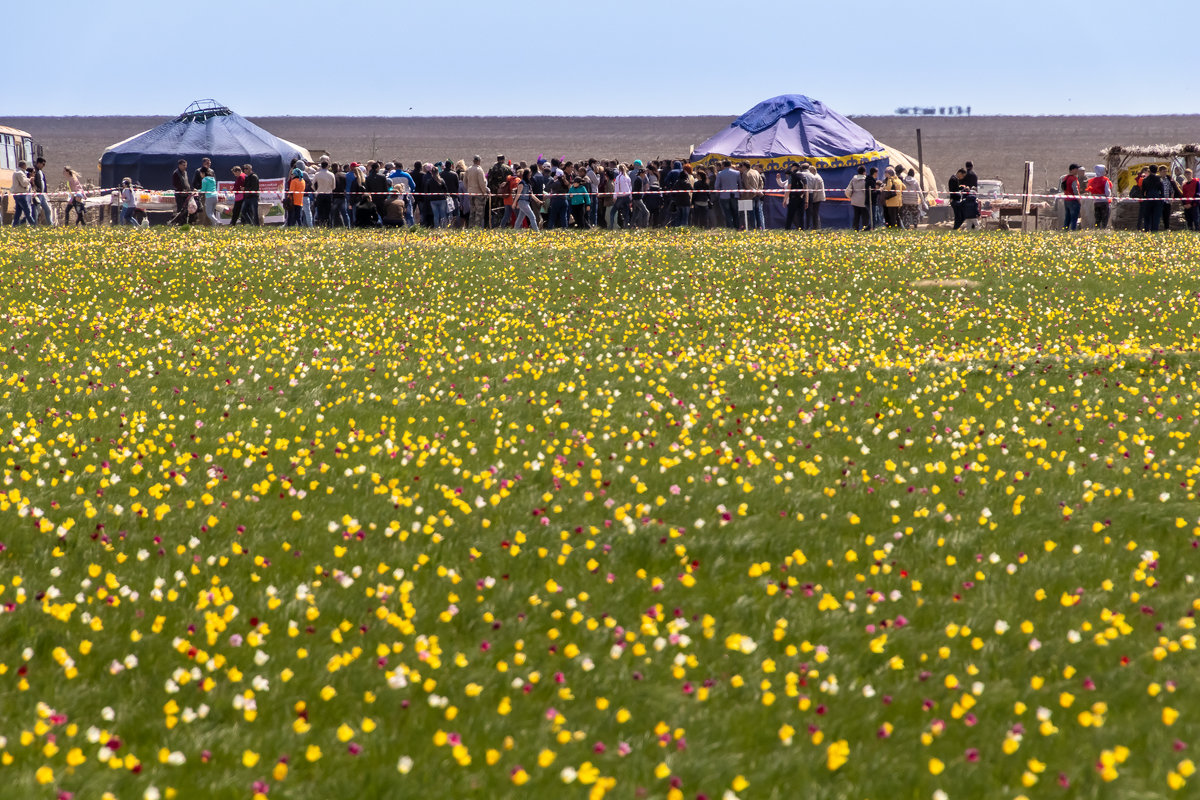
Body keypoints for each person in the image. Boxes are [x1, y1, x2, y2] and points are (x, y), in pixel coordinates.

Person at [714, 160, 741, 229]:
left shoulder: (720, 173)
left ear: (723, 165)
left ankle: (730, 227)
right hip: (734, 195)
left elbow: (717, 186)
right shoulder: (737, 173)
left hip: (724, 196)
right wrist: (739, 193)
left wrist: (718, 194)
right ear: (730, 164)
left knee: (727, 213)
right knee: (735, 212)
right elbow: (740, 185)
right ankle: (737, 227)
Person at [1086, 164, 1113, 230]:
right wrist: (1109, 196)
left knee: (1097, 218)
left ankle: (1096, 229)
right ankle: (1103, 229)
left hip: (1096, 202)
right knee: (1104, 218)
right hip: (1104, 202)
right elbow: (1107, 192)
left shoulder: (1093, 180)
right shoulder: (1105, 180)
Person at [739, 161, 765, 230]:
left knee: (752, 212)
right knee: (758, 211)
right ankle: (760, 227)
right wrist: (759, 191)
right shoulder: (756, 172)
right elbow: (761, 182)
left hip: (750, 195)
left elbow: (747, 185)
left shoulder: (745, 173)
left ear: (744, 166)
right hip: (757, 195)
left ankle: (754, 227)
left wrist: (754, 191)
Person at [1139, 164, 1164, 232]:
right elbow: (1162, 190)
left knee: (1147, 216)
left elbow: (1143, 191)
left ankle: (1147, 229)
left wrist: (1144, 198)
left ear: (1149, 170)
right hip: (1157, 198)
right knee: (1156, 216)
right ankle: (1154, 230)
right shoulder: (1159, 179)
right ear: (1157, 170)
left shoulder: (1145, 180)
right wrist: (1161, 199)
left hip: (1148, 199)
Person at [10, 161, 34, 225]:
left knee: (18, 212)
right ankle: (33, 224)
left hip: (18, 194)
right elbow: (24, 183)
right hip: (21, 195)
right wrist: (29, 179)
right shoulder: (20, 173)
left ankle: (15, 225)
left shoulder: (17, 172)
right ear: (23, 165)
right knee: (27, 211)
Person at [783, 166, 807, 230]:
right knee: (801, 215)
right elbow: (806, 188)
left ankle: (787, 229)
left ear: (794, 168)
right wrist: (806, 200)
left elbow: (789, 187)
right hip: (801, 198)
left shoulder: (792, 176)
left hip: (793, 198)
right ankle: (801, 229)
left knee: (790, 215)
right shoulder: (803, 176)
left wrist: (785, 200)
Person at [1060, 164, 1082, 231]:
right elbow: (1075, 190)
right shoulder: (1073, 178)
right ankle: (1073, 230)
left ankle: (1065, 230)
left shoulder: (1065, 178)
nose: (1077, 170)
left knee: (1067, 217)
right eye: (1076, 169)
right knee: (1074, 217)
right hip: (1073, 200)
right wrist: (1079, 200)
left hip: (1067, 200)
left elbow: (1063, 188)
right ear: (1072, 170)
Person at [170, 159, 192, 224]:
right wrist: (182, 189)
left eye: (186, 165)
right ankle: (179, 223)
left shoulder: (185, 172)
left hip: (186, 194)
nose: (185, 166)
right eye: (183, 165)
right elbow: (175, 184)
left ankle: (185, 222)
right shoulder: (176, 173)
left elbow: (186, 182)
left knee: (186, 210)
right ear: (179, 165)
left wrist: (189, 190)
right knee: (180, 210)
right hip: (180, 195)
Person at [846, 166, 868, 231]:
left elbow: (849, 188)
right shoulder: (866, 179)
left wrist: (850, 197)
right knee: (865, 216)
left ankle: (855, 229)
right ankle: (865, 229)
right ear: (864, 172)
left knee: (856, 216)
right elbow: (865, 190)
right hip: (863, 201)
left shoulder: (853, 179)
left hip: (855, 200)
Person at [313, 160, 335, 225]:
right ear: (327, 166)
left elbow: (312, 184)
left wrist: (316, 190)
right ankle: (327, 224)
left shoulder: (317, 174)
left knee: (320, 210)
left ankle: (320, 223)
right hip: (328, 194)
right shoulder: (331, 174)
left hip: (320, 194)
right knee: (327, 211)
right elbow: (333, 186)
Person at [31, 158, 52, 225]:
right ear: (38, 163)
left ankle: (50, 224)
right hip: (37, 194)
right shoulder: (34, 171)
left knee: (47, 210)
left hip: (42, 195)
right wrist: (36, 190)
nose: (43, 166)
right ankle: (35, 225)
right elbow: (33, 182)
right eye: (43, 164)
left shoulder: (40, 172)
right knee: (36, 211)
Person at [612, 164, 633, 229]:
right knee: (626, 213)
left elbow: (616, 188)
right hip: (627, 196)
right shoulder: (627, 177)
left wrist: (614, 197)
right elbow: (630, 187)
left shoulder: (618, 177)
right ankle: (626, 226)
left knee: (612, 212)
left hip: (620, 197)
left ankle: (611, 226)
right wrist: (630, 197)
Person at [805, 165, 824, 230]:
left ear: (812, 171)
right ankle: (816, 227)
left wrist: (812, 199)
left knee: (815, 213)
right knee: (815, 213)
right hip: (819, 196)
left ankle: (816, 227)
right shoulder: (817, 176)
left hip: (817, 197)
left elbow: (815, 190)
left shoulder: (815, 178)